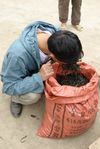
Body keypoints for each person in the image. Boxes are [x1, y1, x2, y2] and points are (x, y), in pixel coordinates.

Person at [0, 21, 84, 118]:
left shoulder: (55, 34)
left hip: (39, 66)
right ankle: (16, 99)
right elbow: (9, 87)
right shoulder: (17, 56)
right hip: (17, 78)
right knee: (33, 96)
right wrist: (39, 77)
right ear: (52, 56)